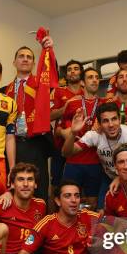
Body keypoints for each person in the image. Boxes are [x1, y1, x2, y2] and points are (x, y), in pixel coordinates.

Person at [2, 38, 55, 201]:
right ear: (14, 62)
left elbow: (52, 72)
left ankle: (39, 225)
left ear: (33, 63)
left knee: (37, 192)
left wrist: (49, 51)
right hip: (11, 146)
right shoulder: (3, 91)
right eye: (21, 56)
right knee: (12, 191)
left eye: (29, 57)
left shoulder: (42, 86)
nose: (25, 59)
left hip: (36, 144)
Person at [61, 101, 127, 210]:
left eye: (114, 119)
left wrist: (119, 178)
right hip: (108, 177)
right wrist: (73, 133)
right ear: (99, 123)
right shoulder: (95, 135)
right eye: (105, 121)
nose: (111, 124)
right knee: (101, 210)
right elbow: (66, 153)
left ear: (119, 119)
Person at [57, 67, 104, 209]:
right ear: (82, 82)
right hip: (74, 161)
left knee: (93, 205)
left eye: (96, 77)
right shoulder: (72, 103)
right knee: (69, 203)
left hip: (95, 162)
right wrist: (68, 132)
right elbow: (59, 129)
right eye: (90, 77)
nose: (94, 80)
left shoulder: (106, 103)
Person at [50, 60, 84, 209]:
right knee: (57, 183)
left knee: (77, 186)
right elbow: (49, 115)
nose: (72, 71)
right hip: (60, 145)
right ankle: (54, 215)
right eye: (69, 69)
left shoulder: (86, 92)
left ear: (81, 72)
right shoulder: (58, 91)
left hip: (81, 147)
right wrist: (66, 106)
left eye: (76, 69)